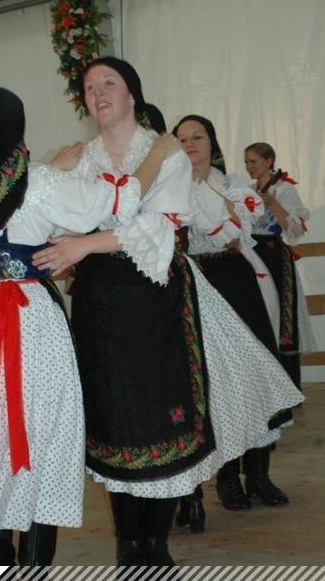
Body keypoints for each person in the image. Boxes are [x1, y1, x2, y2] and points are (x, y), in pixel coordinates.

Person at [33, 58, 303, 567]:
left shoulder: (166, 152)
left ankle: (155, 543)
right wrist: (55, 178)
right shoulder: (82, 158)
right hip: (98, 301)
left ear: (132, 94)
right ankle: (128, 544)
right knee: (114, 415)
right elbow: (53, 217)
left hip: (154, 298)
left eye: (109, 83)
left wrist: (82, 242)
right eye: (89, 87)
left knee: (162, 415)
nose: (98, 92)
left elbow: (157, 226)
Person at [0, 87, 170, 564]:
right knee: (42, 433)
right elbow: (118, 200)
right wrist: (157, 153)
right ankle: (34, 563)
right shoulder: (40, 181)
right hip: (29, 319)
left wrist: (53, 169)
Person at [173, 114, 298, 523]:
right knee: (220, 381)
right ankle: (228, 479)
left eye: (198, 136)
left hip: (238, 278)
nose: (190, 144)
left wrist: (227, 209)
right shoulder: (170, 188)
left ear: (212, 142)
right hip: (198, 283)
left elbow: (249, 228)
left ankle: (259, 473)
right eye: (182, 139)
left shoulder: (232, 184)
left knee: (256, 372)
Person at [244, 142, 316, 389]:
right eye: (246, 162)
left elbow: (295, 231)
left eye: (253, 161)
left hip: (275, 257)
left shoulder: (284, 189)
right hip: (252, 256)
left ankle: (290, 384)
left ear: (268, 161)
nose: (249, 167)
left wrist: (273, 203)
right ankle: (267, 386)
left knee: (284, 317)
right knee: (259, 313)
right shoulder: (249, 190)